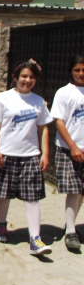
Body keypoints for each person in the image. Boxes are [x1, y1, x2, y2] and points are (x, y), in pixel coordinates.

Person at [0, 59, 53, 255]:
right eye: (24, 76)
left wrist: (45, 154)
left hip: (30, 156)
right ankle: (1, 224)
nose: (27, 80)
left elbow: (44, 129)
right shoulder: (3, 98)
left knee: (32, 198)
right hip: (6, 154)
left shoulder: (39, 101)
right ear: (15, 77)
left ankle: (35, 238)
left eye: (32, 77)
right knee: (4, 194)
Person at [51, 55, 84, 250]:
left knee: (80, 191)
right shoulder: (64, 92)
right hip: (70, 148)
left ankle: (70, 225)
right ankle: (70, 231)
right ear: (71, 71)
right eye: (77, 70)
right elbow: (59, 121)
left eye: (83, 70)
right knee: (74, 189)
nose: (81, 74)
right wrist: (73, 146)